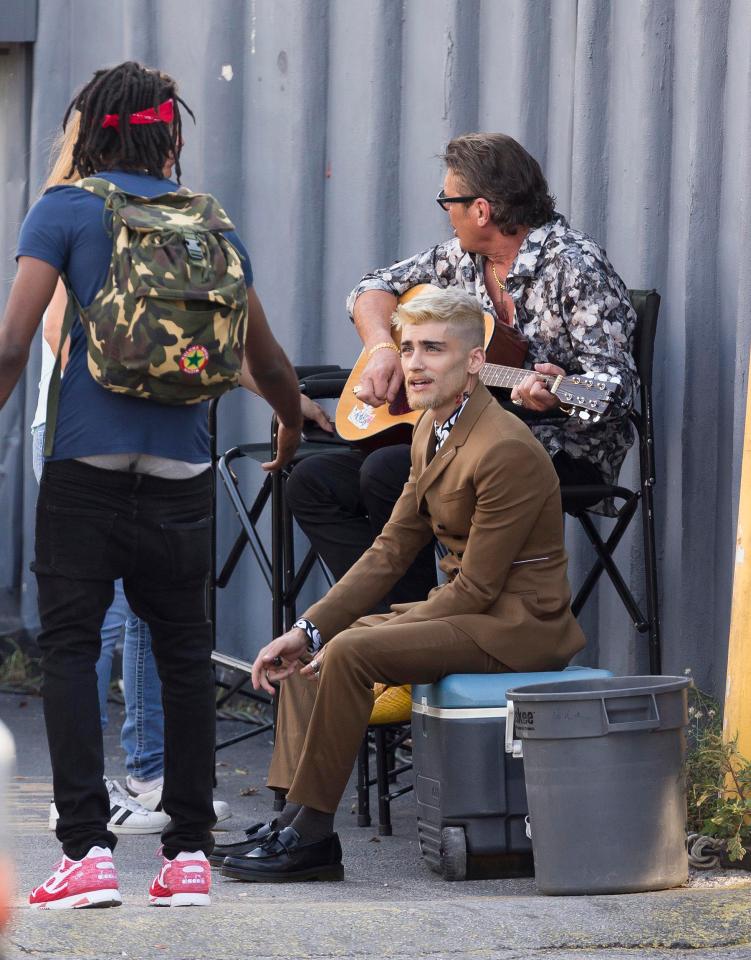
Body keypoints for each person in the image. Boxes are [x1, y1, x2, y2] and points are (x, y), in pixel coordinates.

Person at [0, 60, 303, 909]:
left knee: (67, 648)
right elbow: (267, 358)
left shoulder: (65, 208)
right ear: (168, 133)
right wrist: (285, 421)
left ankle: (85, 854)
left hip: (84, 469)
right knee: (180, 657)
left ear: (89, 129)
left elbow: (13, 344)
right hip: (182, 473)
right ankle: (189, 857)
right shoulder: (213, 227)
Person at [220, 287, 585, 882]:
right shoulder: (431, 429)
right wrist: (308, 627)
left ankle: (311, 836)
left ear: (473, 362)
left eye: (433, 349)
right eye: (407, 347)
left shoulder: (505, 449)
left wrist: (359, 633)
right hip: (467, 613)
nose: (413, 363)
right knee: (319, 646)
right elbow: (390, 550)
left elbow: (478, 590)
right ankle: (291, 820)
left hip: (518, 627)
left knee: (351, 650)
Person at [285, 133, 638, 603]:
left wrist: (558, 393)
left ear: (481, 210)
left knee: (391, 470)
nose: (445, 213)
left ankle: (413, 631)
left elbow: (615, 390)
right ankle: (395, 625)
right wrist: (381, 349)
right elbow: (372, 287)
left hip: (558, 449)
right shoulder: (459, 259)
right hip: (455, 439)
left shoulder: (575, 266)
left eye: (447, 201)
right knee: (313, 483)